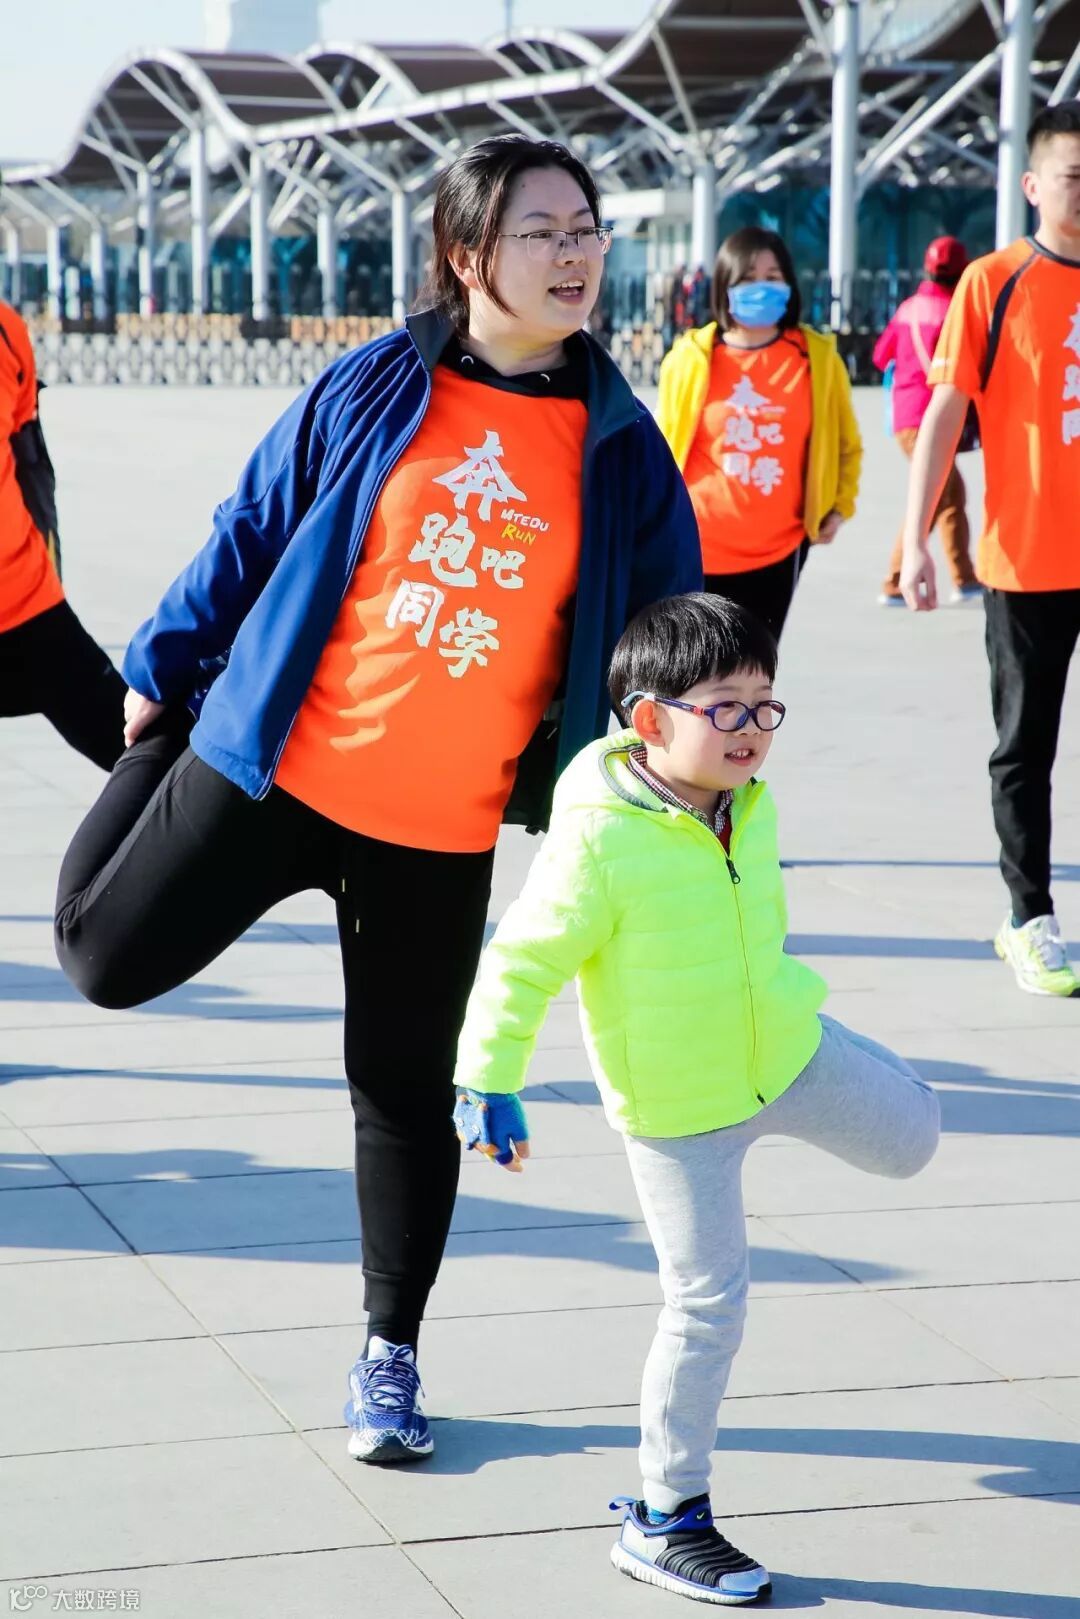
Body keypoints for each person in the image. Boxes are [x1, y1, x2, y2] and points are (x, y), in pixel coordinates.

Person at [52, 135, 701, 1462]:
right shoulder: (378, 382)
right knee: (99, 955)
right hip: (278, 768)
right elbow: (254, 520)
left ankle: (389, 1352)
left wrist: (691, 762)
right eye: (541, 230)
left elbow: (673, 628)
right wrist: (164, 670)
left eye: (587, 228)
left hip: (438, 826)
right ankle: (166, 750)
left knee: (402, 1086)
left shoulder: (624, 445)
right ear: (466, 254)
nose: (576, 252)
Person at [453, 592, 940, 1605]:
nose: (751, 729)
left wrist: (797, 1015)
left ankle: (833, 1046)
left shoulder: (747, 800)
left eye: (765, 704)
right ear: (648, 719)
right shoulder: (598, 842)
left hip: (786, 1053)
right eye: (725, 707)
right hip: (680, 1113)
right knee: (707, 1304)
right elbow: (520, 961)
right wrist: (489, 1078)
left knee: (915, 1137)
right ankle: (667, 1515)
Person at [899, 100, 1080, 997]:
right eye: (1074, 176)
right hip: (1028, 561)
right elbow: (943, 414)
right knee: (1025, 747)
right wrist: (915, 540)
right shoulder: (994, 281)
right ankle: (1029, 917)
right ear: (1033, 184)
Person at [656, 226, 862, 640]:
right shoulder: (689, 358)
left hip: (778, 552)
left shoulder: (817, 358)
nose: (761, 287)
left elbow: (847, 445)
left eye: (773, 276)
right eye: (748, 278)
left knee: (755, 670)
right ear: (725, 286)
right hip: (694, 551)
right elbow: (659, 447)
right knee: (696, 671)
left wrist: (839, 506)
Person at [0, 297, 125, 768]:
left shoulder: (7, 330)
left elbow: (25, 455)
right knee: (136, 747)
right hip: (25, 599)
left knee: (136, 745)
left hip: (23, 598)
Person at [873, 236, 981, 607]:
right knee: (934, 496)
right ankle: (895, 581)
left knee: (950, 495)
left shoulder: (908, 308)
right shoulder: (958, 311)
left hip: (906, 415)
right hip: (937, 417)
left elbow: (880, 356)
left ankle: (965, 579)